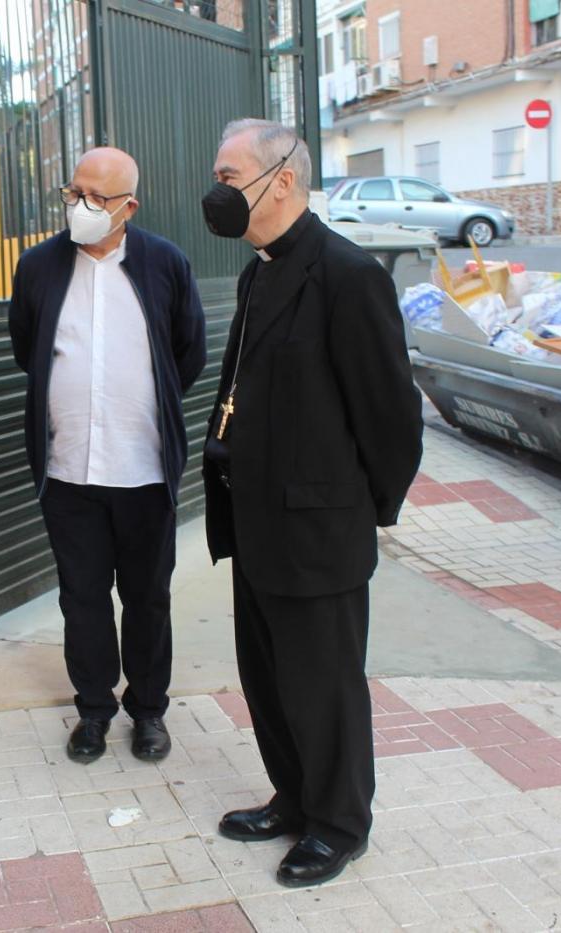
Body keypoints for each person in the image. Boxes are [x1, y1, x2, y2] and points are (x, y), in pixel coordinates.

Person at [199, 120, 423, 887]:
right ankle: (294, 798)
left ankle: (339, 823)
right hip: (258, 520)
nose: (217, 192)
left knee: (324, 685)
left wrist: (365, 508)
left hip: (320, 529)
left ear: (283, 179)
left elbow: (391, 416)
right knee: (269, 677)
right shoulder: (258, 272)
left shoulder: (348, 274)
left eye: (229, 177)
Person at [8, 147, 207, 764]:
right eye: (74, 193)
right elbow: (26, 348)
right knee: (82, 599)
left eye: (96, 198)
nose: (81, 206)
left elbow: (189, 353)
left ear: (129, 206)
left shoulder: (164, 263)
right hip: (68, 471)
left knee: (148, 599)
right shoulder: (38, 266)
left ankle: (148, 711)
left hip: (143, 469)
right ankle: (93, 710)